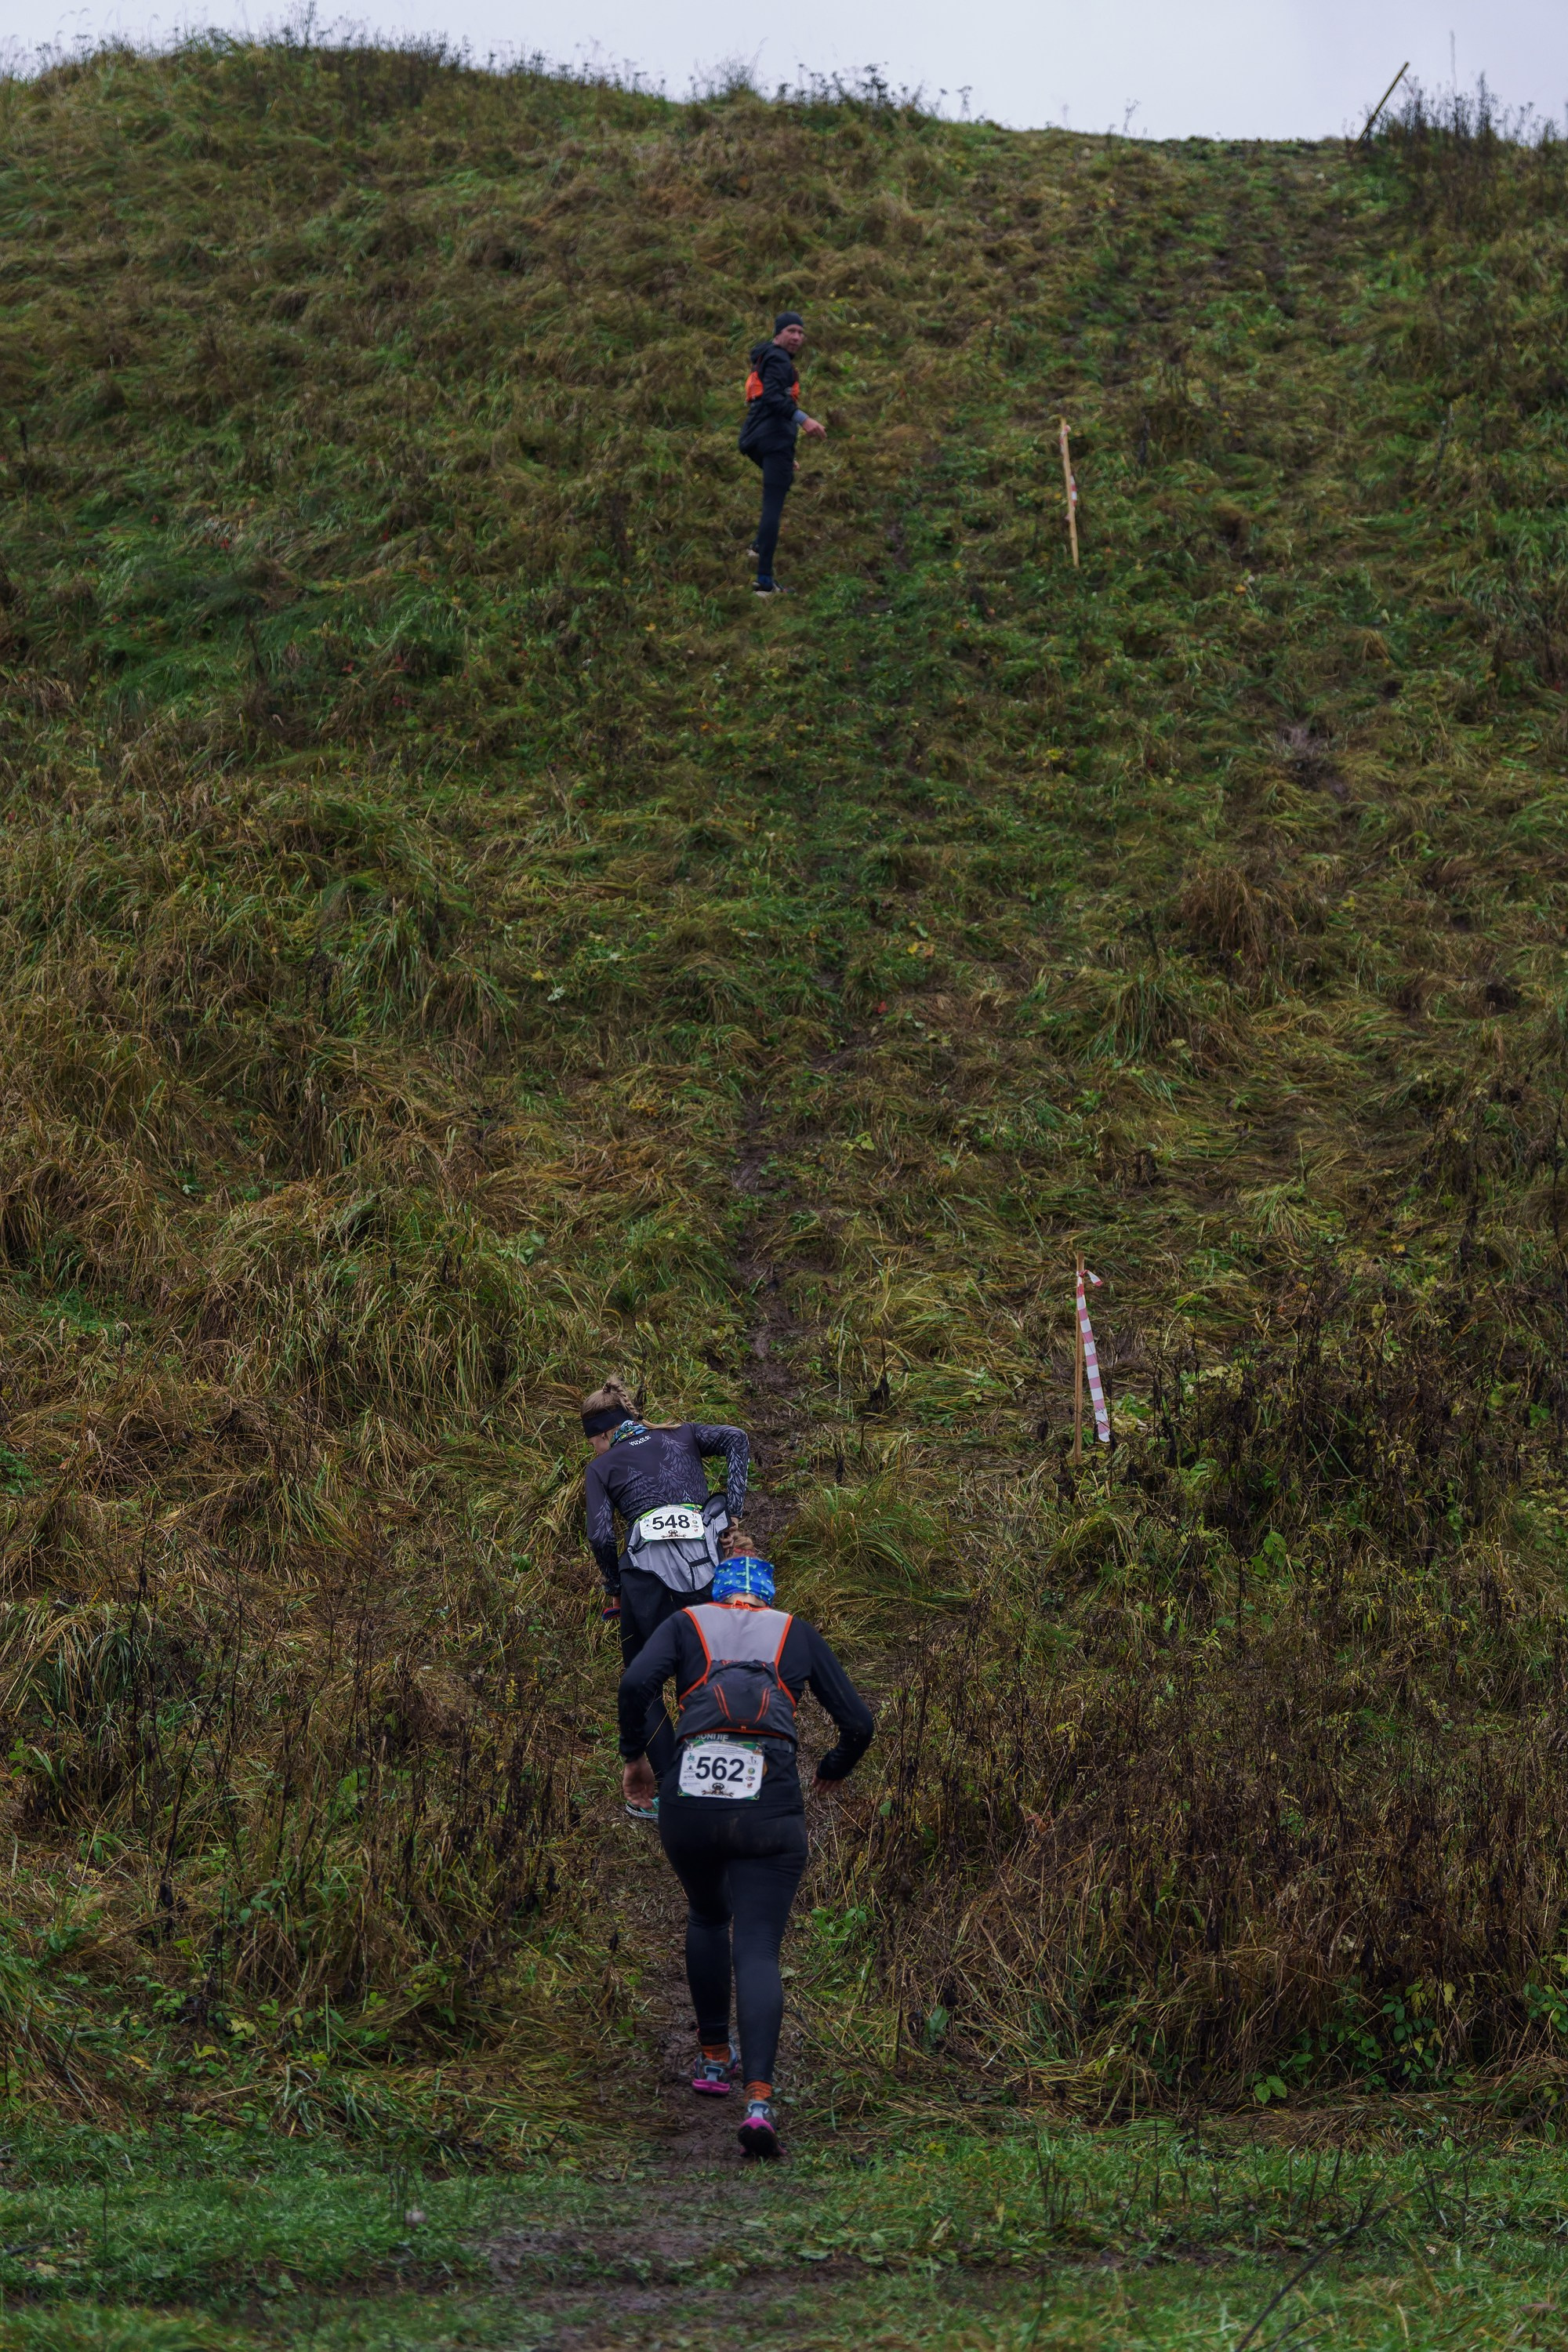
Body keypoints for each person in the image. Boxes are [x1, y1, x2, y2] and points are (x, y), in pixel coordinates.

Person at [618, 1549, 874, 2160]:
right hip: (771, 1807)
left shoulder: (687, 1625)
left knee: (708, 1915)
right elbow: (858, 1723)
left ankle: (711, 2061)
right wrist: (833, 1769)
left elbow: (634, 1684)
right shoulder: (795, 1632)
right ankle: (759, 2100)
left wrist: (637, 1757)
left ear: (718, 1593)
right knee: (757, 1945)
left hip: (689, 1802)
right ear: (767, 1596)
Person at [582, 1378, 752, 1819]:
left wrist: (613, 1586)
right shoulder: (683, 1433)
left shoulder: (601, 1466)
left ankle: (673, 1793)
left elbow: (601, 1534)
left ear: (601, 1435)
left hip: (645, 1578)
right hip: (705, 1566)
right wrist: (733, 1511)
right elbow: (737, 1438)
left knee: (644, 1679)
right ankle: (730, 1779)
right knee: (711, 1668)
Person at [738, 310, 827, 598]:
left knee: (781, 482)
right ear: (778, 334)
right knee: (773, 505)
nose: (797, 337)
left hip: (754, 439)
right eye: (791, 331)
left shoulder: (768, 357)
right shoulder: (777, 358)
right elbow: (774, 397)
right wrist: (804, 419)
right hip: (772, 439)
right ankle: (764, 582)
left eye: (801, 333)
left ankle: (757, 547)